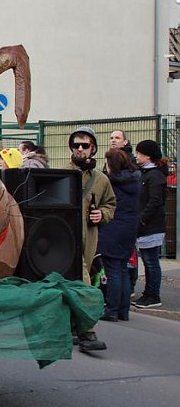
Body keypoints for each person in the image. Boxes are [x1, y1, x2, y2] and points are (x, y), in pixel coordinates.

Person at [65, 126, 116, 352]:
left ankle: (76, 329)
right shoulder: (59, 171)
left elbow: (110, 204)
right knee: (80, 285)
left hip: (88, 240)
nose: (80, 149)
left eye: (84, 145)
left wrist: (101, 214)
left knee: (79, 283)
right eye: (76, 145)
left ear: (93, 148)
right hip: (61, 239)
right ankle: (86, 332)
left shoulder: (101, 179)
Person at [96, 149, 140, 322]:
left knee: (113, 270)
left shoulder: (110, 182)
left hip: (112, 228)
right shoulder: (134, 180)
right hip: (129, 228)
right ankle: (124, 310)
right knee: (122, 269)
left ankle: (112, 309)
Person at [132, 139, 168, 309]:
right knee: (147, 260)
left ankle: (153, 295)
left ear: (147, 156)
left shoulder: (155, 175)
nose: (136, 156)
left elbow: (155, 201)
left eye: (139, 153)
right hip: (146, 224)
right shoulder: (145, 173)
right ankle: (149, 293)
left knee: (151, 261)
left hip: (151, 226)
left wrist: (142, 218)